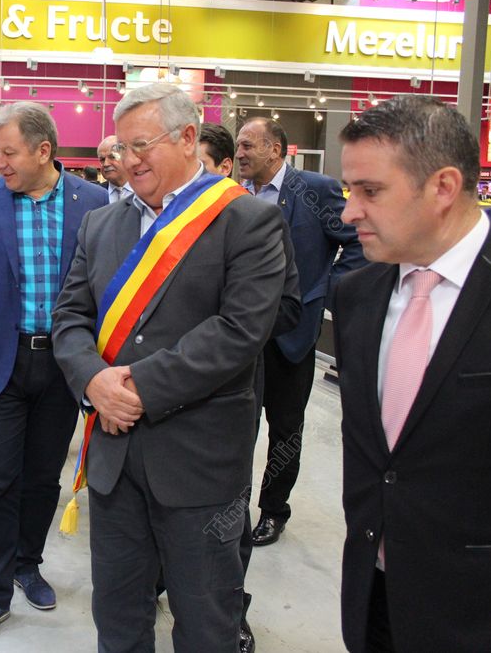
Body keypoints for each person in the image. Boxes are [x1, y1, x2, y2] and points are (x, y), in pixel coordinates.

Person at [52, 82, 286, 653]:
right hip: (113, 460)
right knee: (118, 616)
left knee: (207, 621)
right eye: (121, 147)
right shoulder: (100, 225)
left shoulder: (247, 220)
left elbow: (239, 331)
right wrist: (93, 381)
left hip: (199, 463)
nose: (128, 160)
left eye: (142, 145)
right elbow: (69, 318)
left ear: (186, 138)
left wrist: (134, 387)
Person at [334, 94, 491, 652]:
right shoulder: (358, 295)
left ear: (443, 187)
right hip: (374, 599)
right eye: (349, 190)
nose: (349, 212)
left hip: (482, 612)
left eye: (370, 191)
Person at [0, 102, 106, 641]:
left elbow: (105, 288)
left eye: (8, 153)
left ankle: (27, 563)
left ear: (43, 151)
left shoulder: (93, 202)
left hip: (63, 365)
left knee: (42, 477)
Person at [196, 121, 302, 653]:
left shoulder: (256, 222)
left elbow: (289, 306)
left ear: (218, 168)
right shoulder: (139, 221)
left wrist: (231, 330)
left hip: (230, 391)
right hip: (156, 398)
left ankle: (230, 610)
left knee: (227, 509)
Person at [235, 117, 365, 547]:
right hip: (242, 334)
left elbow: (356, 240)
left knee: (285, 430)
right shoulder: (235, 194)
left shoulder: (315, 189)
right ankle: (233, 509)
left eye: (248, 145)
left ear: (274, 149)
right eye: (238, 146)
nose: (239, 153)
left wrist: (327, 289)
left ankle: (274, 511)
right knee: (238, 428)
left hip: (292, 335)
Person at [97, 134, 133, 204]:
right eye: (102, 159)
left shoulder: (145, 191)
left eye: (112, 157)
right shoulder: (94, 194)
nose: (106, 164)